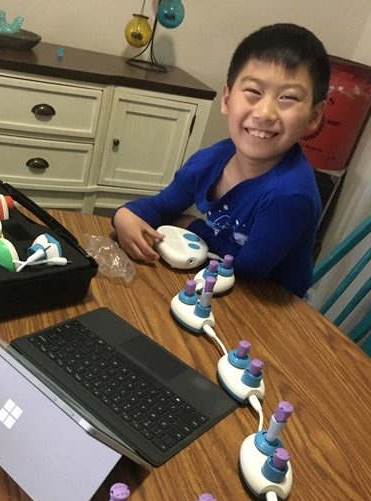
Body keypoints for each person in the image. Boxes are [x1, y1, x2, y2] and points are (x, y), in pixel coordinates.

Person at [112, 23, 331, 297]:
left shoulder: (290, 195)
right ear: (227, 99)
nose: (265, 112)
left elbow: (250, 268)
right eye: (253, 91)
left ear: (313, 116)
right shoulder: (209, 161)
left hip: (268, 305)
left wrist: (193, 225)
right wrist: (125, 214)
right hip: (218, 282)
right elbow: (162, 206)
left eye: (288, 97)